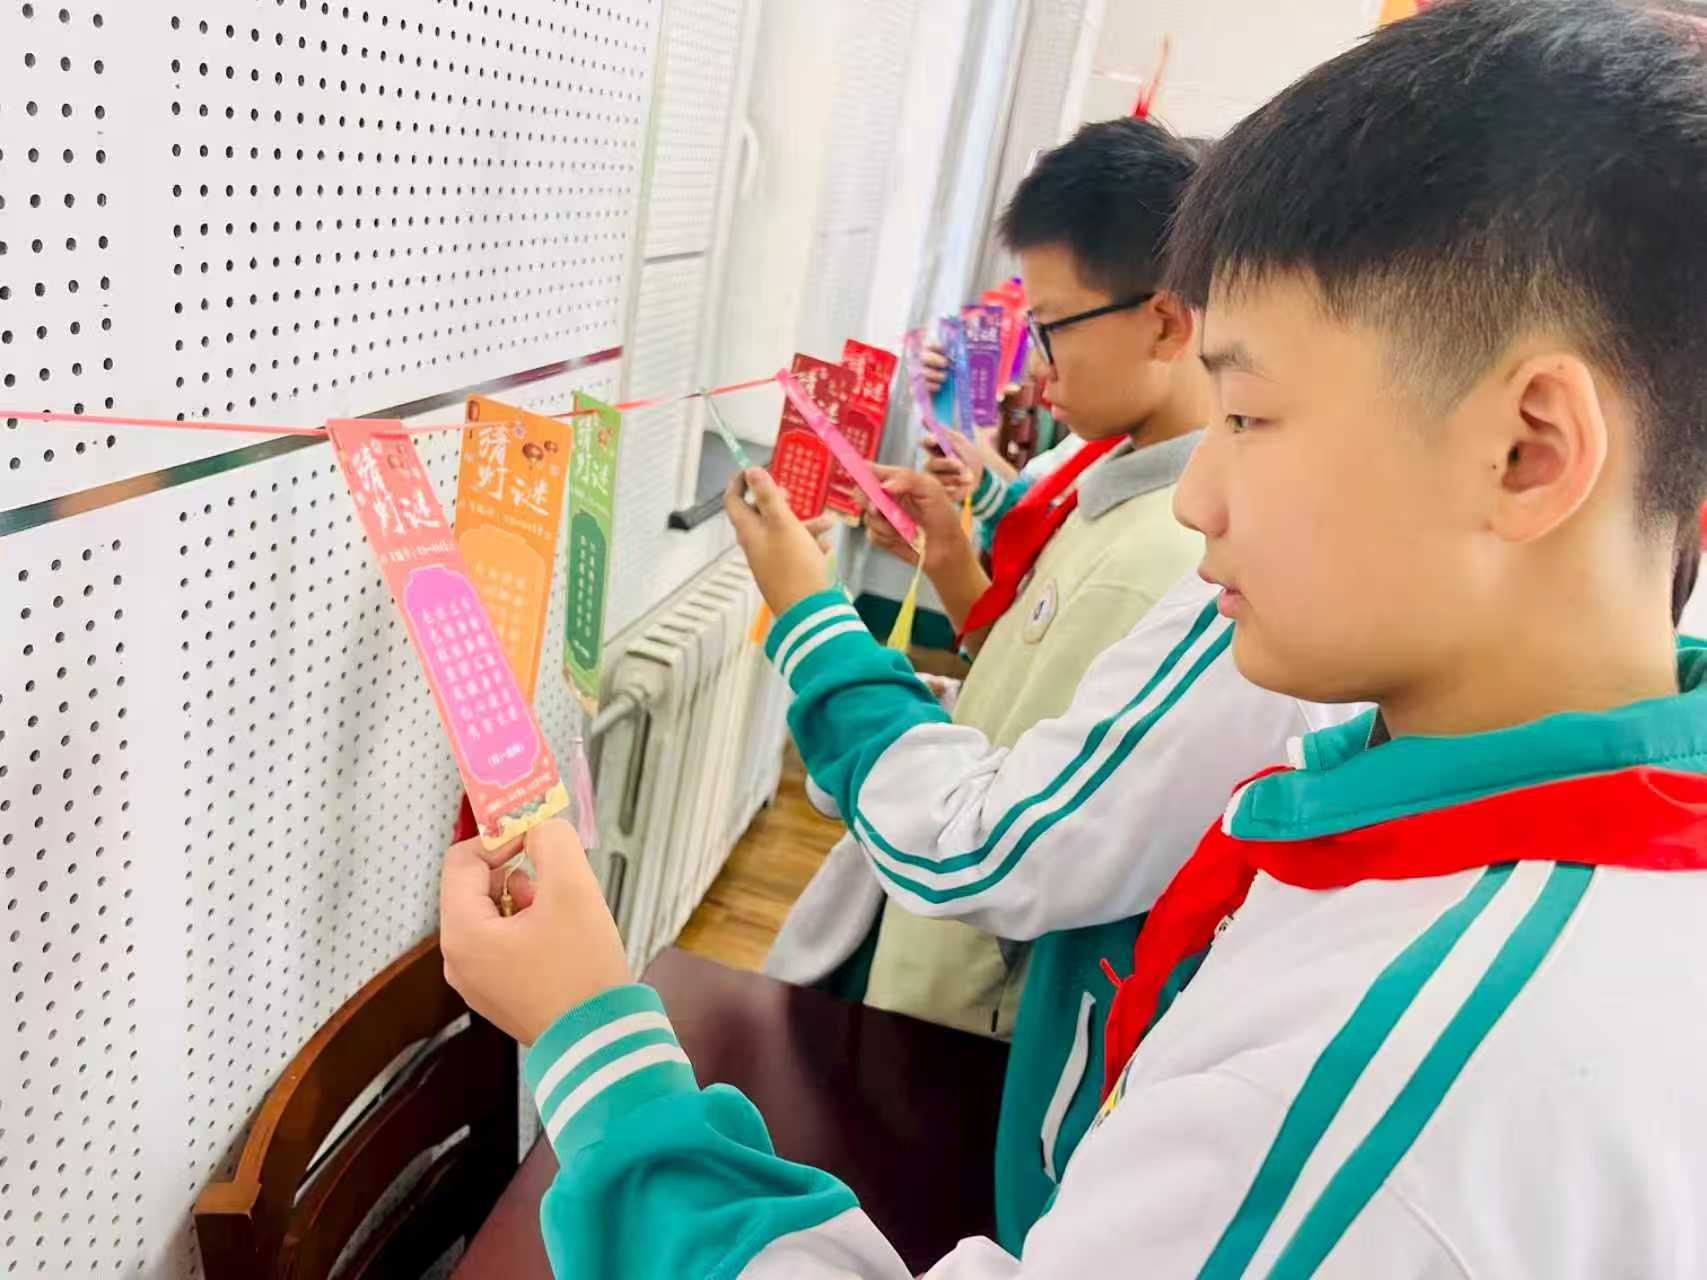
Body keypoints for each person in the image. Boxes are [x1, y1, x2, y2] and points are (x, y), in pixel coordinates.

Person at [440, 1, 1707, 1273]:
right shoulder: (1503, 866)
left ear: (1528, 450)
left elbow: (1009, 841)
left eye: (1250, 414)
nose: (1199, 499)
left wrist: (594, 1037)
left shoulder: (1389, 1092)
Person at [799, 117, 1215, 1044]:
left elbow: (1009, 839)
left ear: (1164, 320)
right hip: (929, 931)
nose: (1032, 365)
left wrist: (807, 613)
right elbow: (1028, 664)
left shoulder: (1169, 557)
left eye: (1051, 328)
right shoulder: (1105, 466)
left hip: (964, 994)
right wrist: (951, 551)